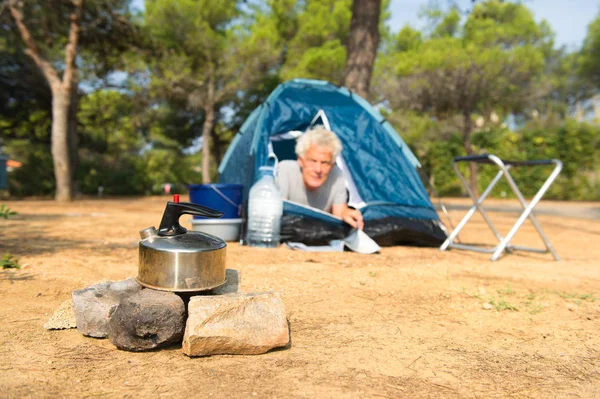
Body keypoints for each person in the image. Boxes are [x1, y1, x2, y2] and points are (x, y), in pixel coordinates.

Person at [276, 126, 364, 229]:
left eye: (325, 163)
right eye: (312, 161)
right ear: (300, 160)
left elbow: (339, 213)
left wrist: (348, 215)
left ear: (332, 165)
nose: (318, 169)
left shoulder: (337, 175)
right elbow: (277, 210)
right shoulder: (285, 170)